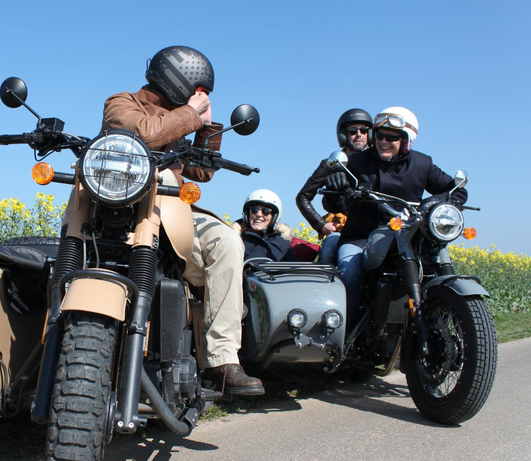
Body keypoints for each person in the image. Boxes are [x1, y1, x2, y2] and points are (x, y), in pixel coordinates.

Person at [101, 45, 264, 395]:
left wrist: (206, 131)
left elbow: (200, 171)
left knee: (227, 241)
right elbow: (144, 133)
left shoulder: (180, 118)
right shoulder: (123, 103)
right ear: (179, 78)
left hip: (173, 212)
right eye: (198, 90)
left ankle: (221, 361)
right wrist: (191, 114)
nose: (199, 97)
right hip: (124, 210)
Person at [322, 106, 468, 324]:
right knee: (349, 272)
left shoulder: (422, 163)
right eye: (380, 136)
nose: (383, 142)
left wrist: (431, 203)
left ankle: (450, 322)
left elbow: (456, 191)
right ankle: (343, 333)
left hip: (412, 235)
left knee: (441, 262)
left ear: (407, 141)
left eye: (391, 138)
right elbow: (334, 202)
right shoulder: (357, 162)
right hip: (361, 237)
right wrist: (335, 189)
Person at [296, 108, 372, 263]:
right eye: (352, 131)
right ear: (343, 135)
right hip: (343, 230)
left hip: (372, 229)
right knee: (330, 247)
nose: (359, 134)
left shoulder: (376, 163)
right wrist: (322, 225)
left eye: (363, 130)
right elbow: (303, 197)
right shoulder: (331, 164)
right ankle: (325, 286)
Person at [234, 189, 297, 262]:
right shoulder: (236, 239)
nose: (259, 214)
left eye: (266, 211)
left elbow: (294, 271)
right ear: (247, 214)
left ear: (274, 217)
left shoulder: (283, 244)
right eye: (254, 210)